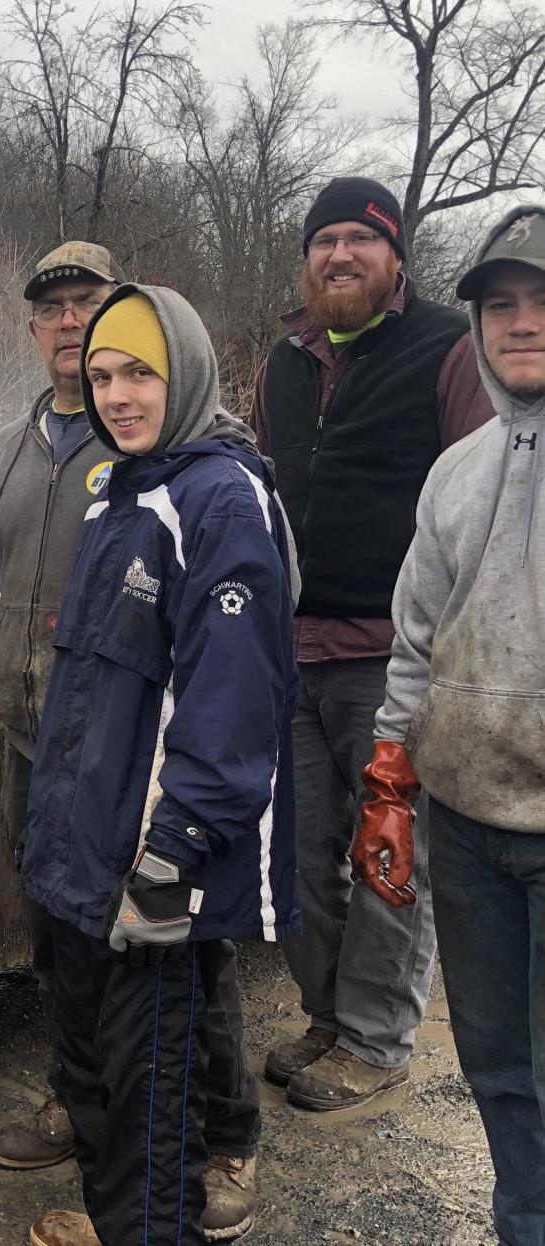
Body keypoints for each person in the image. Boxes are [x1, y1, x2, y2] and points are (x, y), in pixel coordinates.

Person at [0, 243, 264, 1242]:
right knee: (65, 954)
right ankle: (85, 1107)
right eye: (52, 310)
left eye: (90, 306)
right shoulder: (9, 453)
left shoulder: (184, 457)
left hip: (144, 772)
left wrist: (188, 811)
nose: (71, 324)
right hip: (41, 750)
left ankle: (222, 1142)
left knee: (179, 971)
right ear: (30, 330)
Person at [23, 284, 298, 1246]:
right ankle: (118, 1221)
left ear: (184, 373)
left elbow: (233, 695)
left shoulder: (219, 498)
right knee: (104, 1063)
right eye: (101, 375)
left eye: (140, 372)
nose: (117, 394)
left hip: (156, 858)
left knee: (152, 1084)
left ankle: (147, 1226)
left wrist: (176, 845)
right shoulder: (120, 494)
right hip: (95, 845)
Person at [247, 176, 495, 1110]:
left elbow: (478, 498)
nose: (339, 255)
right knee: (302, 851)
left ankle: (378, 1037)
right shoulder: (282, 362)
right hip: (292, 651)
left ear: (395, 257)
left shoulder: (446, 349)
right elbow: (261, 490)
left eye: (360, 238)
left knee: (389, 851)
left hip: (396, 658)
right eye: (324, 241)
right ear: (306, 259)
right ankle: (327, 1015)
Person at [350, 204, 545, 1246]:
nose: (521, 323)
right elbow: (415, 642)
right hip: (466, 826)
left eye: (541, 300)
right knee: (496, 1063)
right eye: (501, 304)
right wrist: (390, 780)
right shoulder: (455, 471)